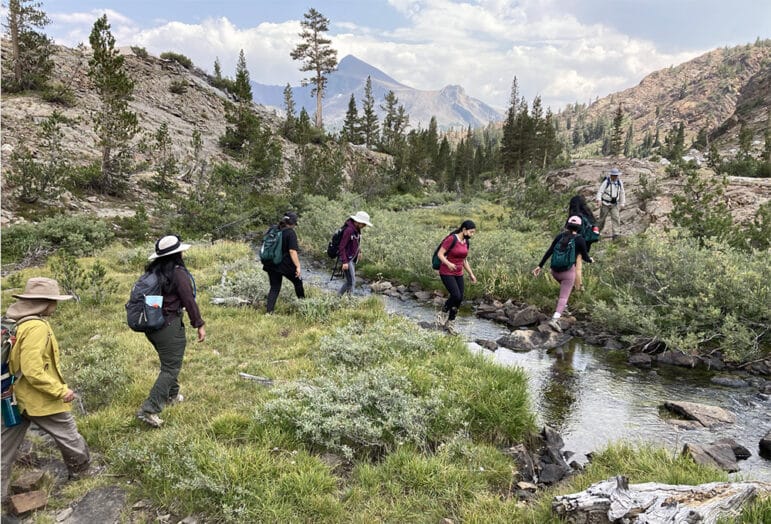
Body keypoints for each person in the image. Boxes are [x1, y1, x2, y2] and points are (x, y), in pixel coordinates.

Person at [2, 278, 96, 503]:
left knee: (3, 450)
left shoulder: (15, 322)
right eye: (54, 301)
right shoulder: (37, 327)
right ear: (45, 303)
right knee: (69, 434)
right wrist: (60, 390)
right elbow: (33, 370)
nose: (56, 305)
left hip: (12, 397)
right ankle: (81, 472)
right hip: (38, 398)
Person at [136, 235, 205, 428]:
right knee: (171, 367)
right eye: (181, 250)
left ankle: (171, 395)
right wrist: (198, 324)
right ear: (176, 254)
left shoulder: (152, 272)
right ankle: (149, 409)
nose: (183, 253)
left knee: (169, 362)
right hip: (168, 325)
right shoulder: (178, 273)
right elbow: (189, 300)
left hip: (152, 326)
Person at [532, 216, 593, 333]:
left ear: (567, 225)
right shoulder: (580, 239)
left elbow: (550, 251)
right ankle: (555, 319)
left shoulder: (560, 236)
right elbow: (585, 257)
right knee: (563, 296)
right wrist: (591, 260)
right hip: (568, 273)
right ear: (579, 227)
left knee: (565, 290)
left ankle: (563, 308)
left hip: (554, 271)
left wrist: (539, 266)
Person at [434, 220, 478, 335]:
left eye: (473, 232)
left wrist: (471, 274)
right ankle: (442, 314)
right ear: (464, 230)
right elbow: (440, 254)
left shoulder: (466, 242)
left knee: (459, 298)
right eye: (471, 232)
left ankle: (451, 322)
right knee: (456, 295)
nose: (472, 234)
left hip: (459, 273)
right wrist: (448, 263)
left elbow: (464, 260)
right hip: (446, 272)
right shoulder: (452, 239)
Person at [262, 211, 305, 313]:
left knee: (275, 287)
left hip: (270, 263)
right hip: (285, 265)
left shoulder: (273, 229)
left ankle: (269, 312)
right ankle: (304, 306)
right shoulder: (290, 233)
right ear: (293, 223)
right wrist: (298, 266)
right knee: (298, 282)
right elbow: (292, 251)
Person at [337, 211, 373, 296]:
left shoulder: (356, 229)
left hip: (351, 258)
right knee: (352, 281)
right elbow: (341, 247)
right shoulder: (349, 230)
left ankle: (338, 297)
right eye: (363, 224)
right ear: (358, 221)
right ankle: (350, 302)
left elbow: (356, 242)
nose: (364, 226)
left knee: (350, 281)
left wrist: (359, 252)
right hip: (347, 259)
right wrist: (344, 262)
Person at [567, 195, 598, 291]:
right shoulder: (588, 215)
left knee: (576, 267)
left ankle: (578, 288)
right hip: (585, 243)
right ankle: (578, 286)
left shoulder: (575, 217)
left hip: (576, 243)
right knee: (578, 266)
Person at [595, 167, 625, 239]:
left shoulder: (619, 182)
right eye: (614, 175)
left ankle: (616, 234)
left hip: (614, 204)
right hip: (605, 203)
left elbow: (622, 193)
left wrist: (622, 203)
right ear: (611, 175)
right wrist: (599, 200)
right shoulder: (606, 182)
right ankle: (596, 233)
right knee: (602, 219)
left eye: (616, 175)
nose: (615, 177)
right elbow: (600, 191)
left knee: (616, 218)